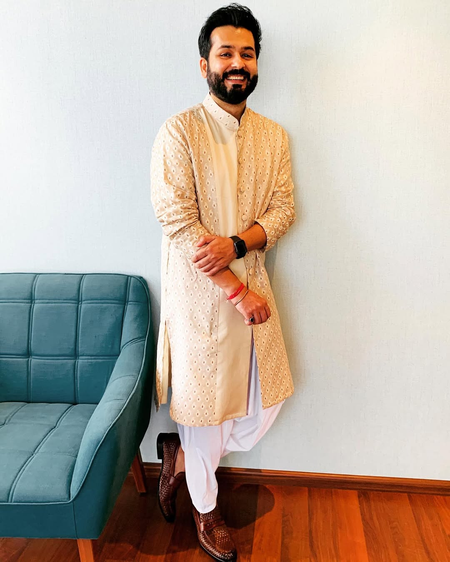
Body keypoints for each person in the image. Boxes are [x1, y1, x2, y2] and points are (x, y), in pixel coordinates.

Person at [150, 4, 295, 561]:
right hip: (201, 299)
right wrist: (235, 289)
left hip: (252, 283)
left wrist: (237, 245)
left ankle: (182, 457)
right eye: (226, 52)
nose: (238, 63)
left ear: (257, 64)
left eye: (247, 54)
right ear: (205, 63)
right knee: (205, 412)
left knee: (265, 404)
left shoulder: (273, 137)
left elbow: (283, 210)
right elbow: (178, 221)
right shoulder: (179, 131)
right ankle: (206, 511)